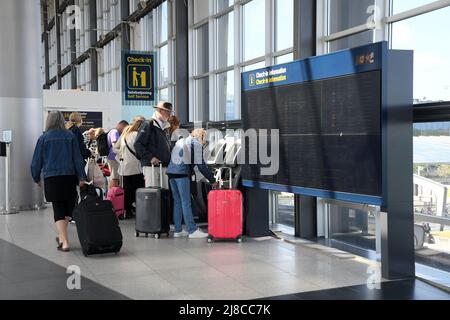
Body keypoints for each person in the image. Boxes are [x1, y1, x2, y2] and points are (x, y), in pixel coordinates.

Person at [31, 111, 87, 252]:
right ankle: (62, 238)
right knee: (68, 208)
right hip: (69, 176)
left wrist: (36, 177)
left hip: (52, 177)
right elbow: (78, 158)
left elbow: (36, 161)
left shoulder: (43, 138)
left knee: (58, 208)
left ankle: (65, 241)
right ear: (62, 120)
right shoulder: (70, 136)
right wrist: (82, 177)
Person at [167, 128, 218, 239]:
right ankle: (192, 230)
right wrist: (213, 180)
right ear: (202, 137)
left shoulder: (181, 141)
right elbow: (201, 166)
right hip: (182, 173)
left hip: (171, 173)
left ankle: (178, 230)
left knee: (177, 202)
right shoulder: (196, 143)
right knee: (186, 202)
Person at [134, 101, 173, 189]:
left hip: (164, 166)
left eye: (170, 111)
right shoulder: (148, 124)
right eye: (167, 111)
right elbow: (138, 144)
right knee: (152, 193)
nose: (169, 114)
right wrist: (150, 157)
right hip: (151, 166)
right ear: (159, 110)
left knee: (163, 193)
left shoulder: (166, 126)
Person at [113, 116, 146, 218]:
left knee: (127, 190)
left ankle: (127, 210)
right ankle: (139, 210)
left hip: (125, 168)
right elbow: (141, 150)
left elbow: (114, 149)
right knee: (138, 189)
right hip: (136, 167)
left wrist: (122, 154)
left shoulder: (124, 135)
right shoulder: (138, 135)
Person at [107, 120, 129, 188]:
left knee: (115, 177)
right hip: (113, 158)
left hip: (113, 158)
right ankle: (113, 195)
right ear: (122, 125)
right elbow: (115, 145)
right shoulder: (115, 132)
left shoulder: (113, 131)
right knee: (115, 178)